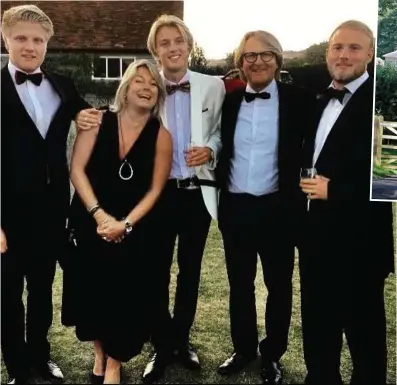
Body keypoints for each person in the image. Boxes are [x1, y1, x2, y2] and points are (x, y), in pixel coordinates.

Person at [76, 14, 225, 383]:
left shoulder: (214, 86)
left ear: (189, 45)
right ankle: (159, 344)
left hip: (195, 195)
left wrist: (211, 149)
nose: (172, 47)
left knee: (189, 273)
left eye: (178, 41)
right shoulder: (150, 88)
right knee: (153, 273)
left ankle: (180, 340)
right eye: (164, 43)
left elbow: (222, 131)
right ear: (155, 51)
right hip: (156, 199)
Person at [0, 5, 95, 384]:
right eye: (21, 38)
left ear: (47, 45)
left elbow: (88, 115)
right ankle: (18, 371)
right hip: (6, 218)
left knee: (41, 293)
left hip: (52, 215)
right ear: (5, 39)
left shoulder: (63, 86)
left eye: (38, 40)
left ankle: (41, 357)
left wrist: (83, 116)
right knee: (8, 299)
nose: (30, 46)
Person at [215, 30, 315, 385]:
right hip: (235, 208)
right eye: (249, 56)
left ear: (278, 60)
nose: (257, 61)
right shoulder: (227, 101)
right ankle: (243, 349)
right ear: (240, 63)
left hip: (278, 210)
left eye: (265, 55)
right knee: (239, 284)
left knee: (278, 285)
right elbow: (214, 142)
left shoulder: (301, 100)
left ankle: (272, 354)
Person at [64, 59, 172, 385]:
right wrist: (100, 215)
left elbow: (156, 189)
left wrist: (124, 224)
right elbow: (77, 171)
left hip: (134, 230)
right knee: (93, 293)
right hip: (91, 222)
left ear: (159, 94)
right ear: (125, 88)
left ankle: (114, 363)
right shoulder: (96, 121)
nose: (146, 87)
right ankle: (99, 354)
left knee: (124, 298)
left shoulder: (161, 135)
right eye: (139, 80)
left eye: (153, 84)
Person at [298, 20, 395, 385]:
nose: (344, 54)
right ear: (328, 52)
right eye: (338, 47)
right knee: (318, 338)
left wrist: (333, 191)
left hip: (361, 248)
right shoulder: (318, 98)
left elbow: (388, 182)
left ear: (370, 54)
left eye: (354, 48)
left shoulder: (385, 99)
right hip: (315, 242)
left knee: (365, 344)